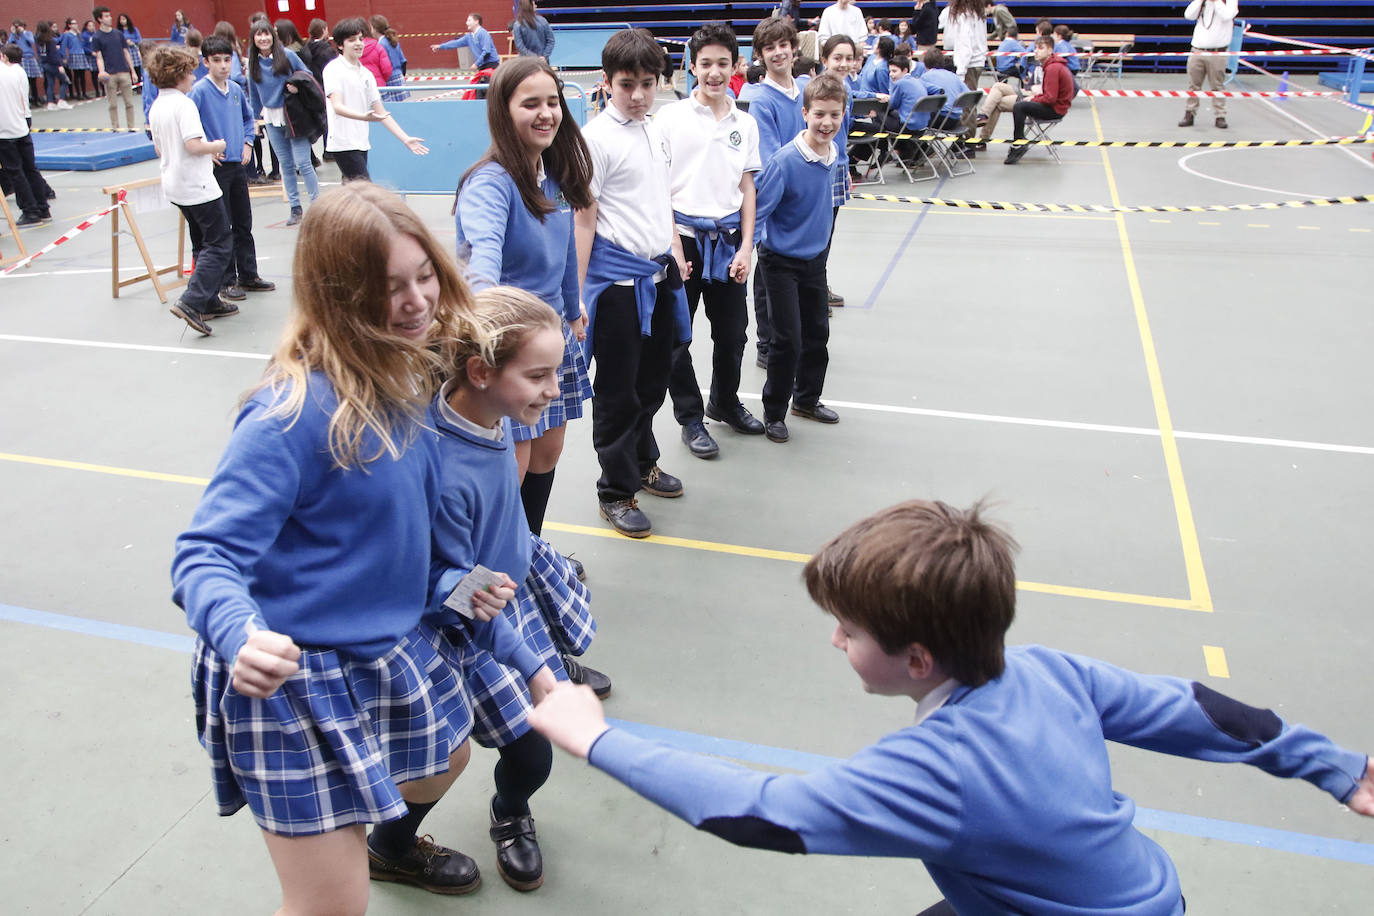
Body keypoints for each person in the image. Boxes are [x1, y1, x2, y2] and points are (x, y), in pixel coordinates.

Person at [531, 497, 1374, 915]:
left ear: (918, 658)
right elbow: (1205, 712)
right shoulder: (1045, 670)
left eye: (849, 631)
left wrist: (596, 738)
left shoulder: (939, 774)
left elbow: (757, 816)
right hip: (1140, 894)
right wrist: (1339, 769)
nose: (836, 643)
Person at [172, 181, 489, 911]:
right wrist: (240, 635)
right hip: (292, 680)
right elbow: (204, 555)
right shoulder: (291, 413)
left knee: (449, 756)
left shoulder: (407, 382)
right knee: (331, 905)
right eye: (388, 288)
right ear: (338, 295)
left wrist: (456, 587)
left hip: (381, 649)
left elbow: (411, 533)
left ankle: (391, 846)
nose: (416, 302)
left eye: (423, 276)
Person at [425, 285, 597, 892]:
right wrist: (530, 663)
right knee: (526, 752)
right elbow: (447, 585)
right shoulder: (442, 468)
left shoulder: (490, 414)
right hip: (468, 623)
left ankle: (508, 808)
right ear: (480, 370)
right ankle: (392, 844)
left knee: (530, 744)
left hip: (499, 593)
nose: (554, 390)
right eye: (539, 375)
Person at [576, 28, 690, 539]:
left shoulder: (655, 128)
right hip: (619, 284)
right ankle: (615, 490)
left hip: (659, 272)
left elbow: (660, 196)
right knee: (618, 390)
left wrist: (676, 249)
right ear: (606, 82)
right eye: (628, 85)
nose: (639, 94)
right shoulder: (593, 140)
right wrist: (575, 295)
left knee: (654, 379)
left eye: (648, 83)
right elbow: (583, 219)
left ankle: (643, 461)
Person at [659, 22, 765, 462]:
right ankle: (690, 417)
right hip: (682, 240)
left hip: (727, 242)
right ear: (692, 67)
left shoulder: (745, 123)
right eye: (706, 64)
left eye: (724, 63)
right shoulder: (670, 118)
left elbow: (747, 189)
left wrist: (746, 248)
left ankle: (725, 400)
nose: (715, 72)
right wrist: (675, 249)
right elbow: (659, 187)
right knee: (676, 339)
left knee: (733, 333)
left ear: (736, 66)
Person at [749, 72, 844, 444]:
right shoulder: (785, 161)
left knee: (817, 332)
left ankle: (806, 400)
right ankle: (774, 411)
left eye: (835, 115)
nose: (827, 122)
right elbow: (760, 211)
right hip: (780, 261)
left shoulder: (834, 153)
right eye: (820, 114)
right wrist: (746, 252)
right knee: (787, 338)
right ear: (805, 113)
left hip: (814, 260)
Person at [145, 44, 235, 335]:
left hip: (174, 183)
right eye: (189, 71)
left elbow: (161, 147)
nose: (193, 76)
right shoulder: (184, 105)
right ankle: (192, 300)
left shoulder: (157, 105)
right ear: (179, 74)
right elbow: (193, 144)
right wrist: (216, 146)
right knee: (220, 243)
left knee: (202, 241)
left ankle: (208, 299)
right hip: (196, 184)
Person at [189, 36, 276, 305]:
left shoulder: (237, 90)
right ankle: (227, 281)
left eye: (227, 60)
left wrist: (248, 142)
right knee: (222, 227)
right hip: (216, 168)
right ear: (206, 63)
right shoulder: (200, 92)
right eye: (217, 61)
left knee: (243, 222)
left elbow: (248, 119)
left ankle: (248, 274)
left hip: (238, 165)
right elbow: (191, 125)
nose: (224, 66)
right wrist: (207, 148)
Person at [747, 16, 808, 368]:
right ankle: (766, 342)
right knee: (768, 275)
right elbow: (771, 162)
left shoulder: (805, 90)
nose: (778, 52)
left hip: (805, 202)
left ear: (793, 47)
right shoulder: (761, 101)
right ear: (760, 55)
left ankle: (791, 337)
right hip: (776, 203)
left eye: (783, 45)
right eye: (769, 47)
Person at [322, 17, 428, 184]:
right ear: (340, 45)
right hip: (343, 143)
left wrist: (405, 138)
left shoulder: (366, 74)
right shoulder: (333, 69)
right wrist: (365, 117)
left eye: (360, 39)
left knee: (354, 192)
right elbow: (338, 106)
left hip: (362, 142)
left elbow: (381, 112)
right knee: (365, 189)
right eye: (351, 40)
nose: (358, 43)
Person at [247, 20, 318, 225]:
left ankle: (316, 206)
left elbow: (307, 74)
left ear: (273, 35)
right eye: (258, 35)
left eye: (266, 34)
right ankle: (295, 208)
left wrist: (296, 85)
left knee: (303, 163)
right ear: (253, 39)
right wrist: (255, 120)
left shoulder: (288, 55)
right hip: (271, 117)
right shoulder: (253, 63)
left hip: (293, 115)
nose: (263, 38)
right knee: (285, 164)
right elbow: (253, 94)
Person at [0, 44, 52, 227]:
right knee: (30, 168)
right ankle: (42, 207)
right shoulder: (15, 71)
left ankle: (30, 210)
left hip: (5, 131)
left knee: (15, 172)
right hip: (20, 125)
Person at [1002, 34, 1073, 164]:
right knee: (1023, 102)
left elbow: (1050, 99)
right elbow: (1048, 94)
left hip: (1055, 109)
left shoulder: (1053, 68)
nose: (1036, 51)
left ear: (1050, 50)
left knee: (1019, 106)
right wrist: (1035, 98)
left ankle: (1018, 143)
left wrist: (1033, 100)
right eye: (1035, 48)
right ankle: (1019, 141)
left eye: (1041, 48)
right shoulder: (1052, 65)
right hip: (1057, 106)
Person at [1180, 0, 1237, 129]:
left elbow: (1227, 15)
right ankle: (1189, 113)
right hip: (1198, 49)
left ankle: (1220, 115)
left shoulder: (1229, 1)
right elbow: (1188, 15)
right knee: (1193, 85)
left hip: (1218, 51)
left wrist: (1216, 1)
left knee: (1218, 85)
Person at [90, 7, 136, 128]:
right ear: (99, 19)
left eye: (109, 15)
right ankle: (116, 127)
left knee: (129, 103)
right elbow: (99, 57)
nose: (109, 18)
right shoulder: (97, 37)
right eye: (106, 16)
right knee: (112, 104)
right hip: (109, 74)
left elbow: (126, 52)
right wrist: (102, 71)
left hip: (124, 71)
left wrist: (133, 71)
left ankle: (131, 126)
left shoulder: (118, 34)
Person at [432, 13, 500, 71]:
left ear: (476, 21)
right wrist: (440, 46)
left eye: (469, 20)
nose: (466, 23)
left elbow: (487, 52)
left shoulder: (483, 33)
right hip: (482, 67)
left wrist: (476, 64)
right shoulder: (469, 37)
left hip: (491, 66)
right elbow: (455, 43)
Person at [944, 0, 987, 89]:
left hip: (968, 64)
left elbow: (965, 44)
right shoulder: (978, 13)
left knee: (966, 100)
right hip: (978, 60)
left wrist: (961, 71)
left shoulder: (963, 16)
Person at [370, 15, 410, 103]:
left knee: (392, 108)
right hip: (399, 76)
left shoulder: (381, 44)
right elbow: (403, 60)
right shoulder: (393, 40)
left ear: (375, 28)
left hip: (390, 79)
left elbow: (384, 66)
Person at [36, 21, 72, 110]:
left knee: (50, 83)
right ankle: (62, 100)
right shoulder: (50, 40)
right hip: (53, 64)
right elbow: (54, 54)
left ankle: (50, 102)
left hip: (44, 63)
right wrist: (60, 65)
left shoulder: (38, 40)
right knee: (65, 81)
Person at [61, 19, 90, 100]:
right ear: (69, 25)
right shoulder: (67, 35)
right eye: (74, 23)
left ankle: (84, 93)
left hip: (81, 54)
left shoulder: (78, 34)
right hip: (73, 54)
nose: (76, 25)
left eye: (76, 23)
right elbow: (63, 46)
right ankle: (78, 93)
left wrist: (79, 34)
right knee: (76, 75)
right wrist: (64, 57)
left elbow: (83, 43)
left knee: (82, 75)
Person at [115, 13, 142, 85]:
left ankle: (138, 84)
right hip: (124, 51)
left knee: (137, 67)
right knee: (128, 67)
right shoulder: (118, 31)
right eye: (121, 19)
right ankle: (131, 84)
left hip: (133, 49)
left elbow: (139, 39)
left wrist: (133, 42)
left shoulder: (134, 29)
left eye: (124, 19)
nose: (122, 21)